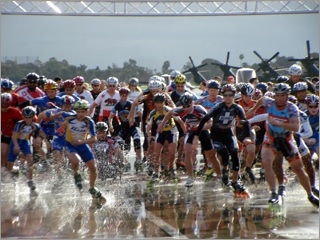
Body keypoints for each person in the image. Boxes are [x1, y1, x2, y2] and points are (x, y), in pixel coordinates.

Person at [246, 83, 319, 207]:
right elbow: (262, 99)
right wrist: (252, 110)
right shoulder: (269, 103)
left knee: (298, 169)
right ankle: (274, 192)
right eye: (278, 95)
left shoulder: (292, 108)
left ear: (287, 96)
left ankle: (310, 194)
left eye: (283, 96)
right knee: (267, 162)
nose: (280, 98)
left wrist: (279, 123)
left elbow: (296, 127)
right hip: (271, 139)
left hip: (286, 139)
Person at [194, 84, 250, 197]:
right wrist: (196, 135)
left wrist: (247, 136)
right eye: (225, 95)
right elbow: (204, 119)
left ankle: (235, 182)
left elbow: (245, 122)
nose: (228, 97)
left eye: (230, 95)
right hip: (216, 134)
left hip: (228, 133)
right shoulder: (218, 107)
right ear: (223, 96)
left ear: (234, 96)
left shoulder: (237, 108)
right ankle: (224, 170)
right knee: (224, 154)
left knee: (234, 154)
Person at [51, 99, 105, 202]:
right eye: (78, 111)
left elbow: (94, 138)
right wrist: (53, 117)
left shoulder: (89, 121)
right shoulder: (70, 117)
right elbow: (62, 113)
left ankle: (92, 188)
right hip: (69, 144)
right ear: (75, 111)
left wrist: (81, 142)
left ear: (86, 111)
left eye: (83, 112)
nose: (80, 114)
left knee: (93, 168)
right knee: (76, 161)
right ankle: (76, 174)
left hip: (82, 145)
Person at [158, 92, 217, 187]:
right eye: (184, 106)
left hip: (203, 130)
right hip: (191, 131)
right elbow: (170, 112)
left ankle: (215, 171)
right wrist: (162, 123)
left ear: (192, 103)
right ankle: (190, 177)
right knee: (187, 151)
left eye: (188, 106)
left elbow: (210, 123)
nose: (186, 109)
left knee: (211, 155)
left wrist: (200, 127)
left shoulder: (199, 109)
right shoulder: (180, 110)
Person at [6, 106, 45, 192]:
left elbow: (42, 134)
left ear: (33, 117)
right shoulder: (20, 124)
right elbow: (14, 137)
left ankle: (30, 181)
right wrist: (16, 146)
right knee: (9, 166)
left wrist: (45, 141)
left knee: (30, 160)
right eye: (26, 118)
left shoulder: (35, 125)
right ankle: (15, 171)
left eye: (30, 118)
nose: (28, 120)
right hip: (16, 141)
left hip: (25, 142)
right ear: (23, 117)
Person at [146, 93, 182, 182]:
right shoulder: (153, 113)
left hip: (171, 131)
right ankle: (155, 172)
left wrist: (185, 133)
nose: (159, 105)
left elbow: (180, 121)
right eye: (157, 103)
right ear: (154, 103)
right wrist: (150, 137)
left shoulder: (169, 110)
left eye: (161, 102)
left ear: (164, 102)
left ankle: (171, 169)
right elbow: (148, 127)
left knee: (172, 152)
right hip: (161, 132)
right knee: (156, 152)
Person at [108, 87, 142, 172]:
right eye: (122, 95)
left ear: (128, 95)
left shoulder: (131, 104)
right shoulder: (117, 105)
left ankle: (138, 160)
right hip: (123, 128)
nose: (124, 97)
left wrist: (143, 125)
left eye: (125, 95)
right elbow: (110, 116)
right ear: (120, 96)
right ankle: (123, 160)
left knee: (137, 141)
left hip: (133, 127)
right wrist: (110, 125)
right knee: (121, 145)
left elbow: (140, 113)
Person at [1, 93, 23, 169]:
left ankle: (18, 167)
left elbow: (24, 123)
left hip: (17, 136)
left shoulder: (16, 112)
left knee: (19, 153)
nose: (3, 109)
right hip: (6, 134)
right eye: (1, 106)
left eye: (5, 106)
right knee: (3, 151)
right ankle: (3, 169)